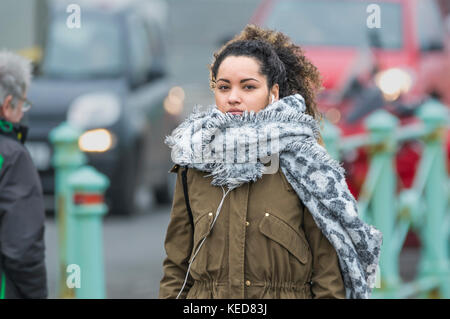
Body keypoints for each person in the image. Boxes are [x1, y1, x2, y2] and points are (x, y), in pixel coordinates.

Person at [159, 25, 382, 299]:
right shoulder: (193, 161)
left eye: (248, 86)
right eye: (223, 87)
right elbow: (176, 268)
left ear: (273, 92)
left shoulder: (304, 162)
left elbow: (328, 274)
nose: (233, 97)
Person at [0, 50, 47, 299]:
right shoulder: (11, 157)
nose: (23, 113)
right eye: (23, 104)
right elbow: (23, 249)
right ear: (8, 105)